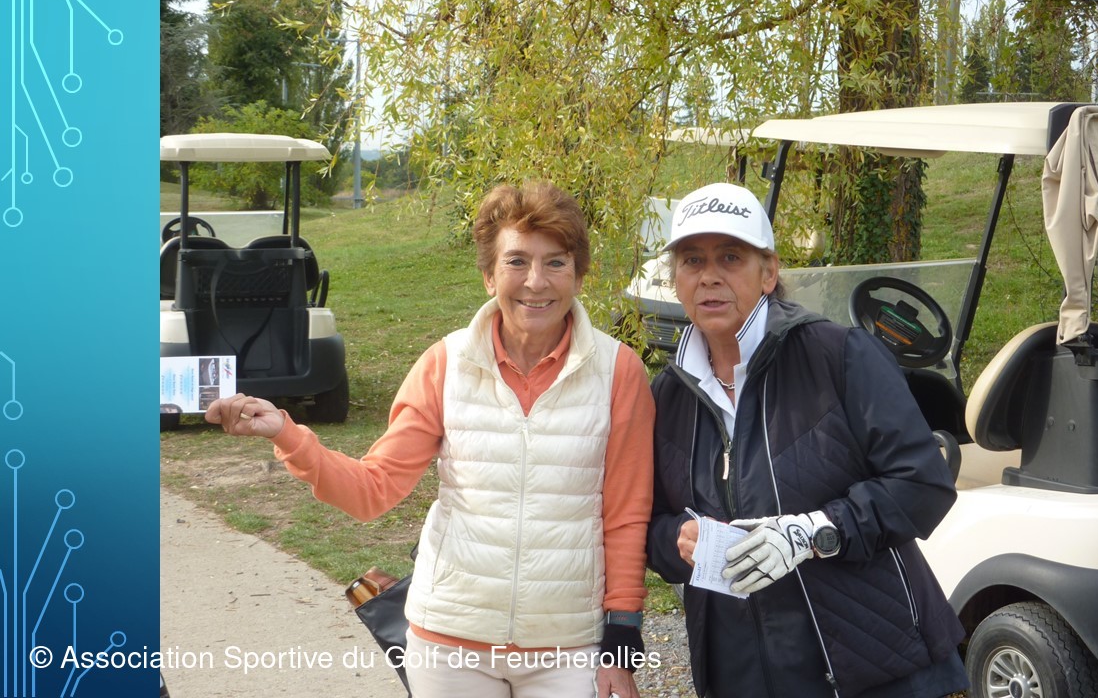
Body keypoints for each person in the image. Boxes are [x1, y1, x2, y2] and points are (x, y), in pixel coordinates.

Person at [207, 182, 655, 698]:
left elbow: (625, 515)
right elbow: (372, 490)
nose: (536, 281)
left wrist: (622, 641)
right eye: (516, 261)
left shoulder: (618, 371)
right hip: (449, 645)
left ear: (578, 274)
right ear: (489, 275)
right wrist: (288, 434)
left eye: (555, 262)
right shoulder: (445, 364)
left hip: (568, 648)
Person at [645, 182, 968, 698]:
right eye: (692, 260)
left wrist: (813, 533)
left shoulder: (839, 355)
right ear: (676, 279)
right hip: (738, 670)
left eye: (731, 257)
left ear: (768, 272)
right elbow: (649, 523)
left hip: (872, 667)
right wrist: (676, 540)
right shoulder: (667, 395)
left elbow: (922, 482)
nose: (709, 276)